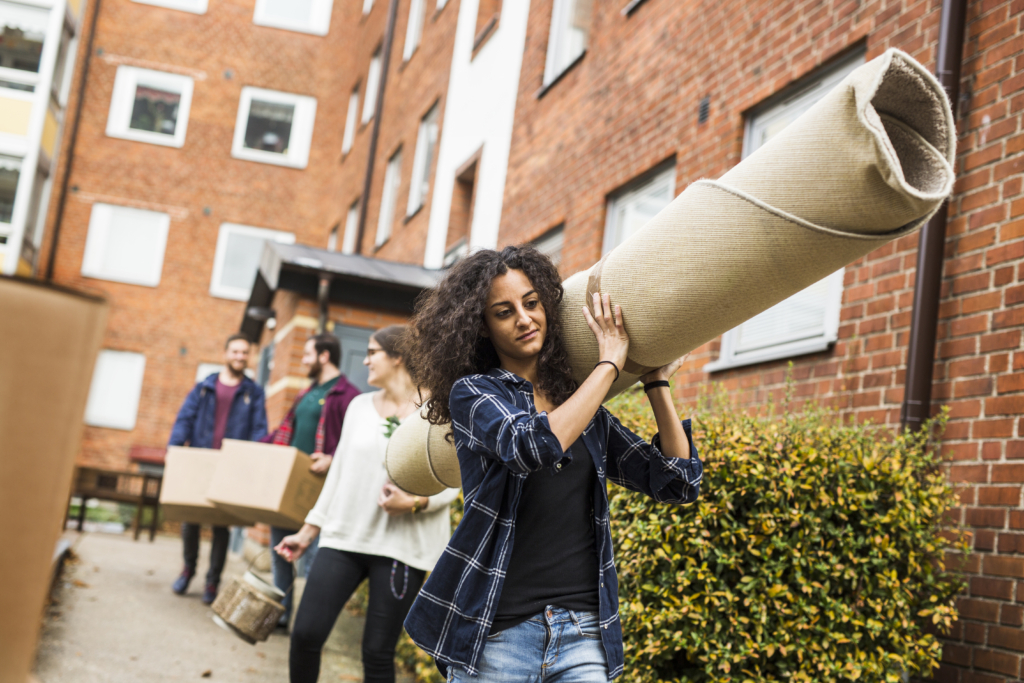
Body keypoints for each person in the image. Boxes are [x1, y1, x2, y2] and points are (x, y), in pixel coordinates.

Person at [401, 246, 704, 681]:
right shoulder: (475, 395)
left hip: (582, 634)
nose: (524, 319)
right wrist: (610, 364)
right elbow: (532, 446)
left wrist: (655, 380)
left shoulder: (582, 410)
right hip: (499, 635)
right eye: (504, 312)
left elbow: (677, 482)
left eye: (531, 303)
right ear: (482, 328)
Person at [274, 325, 459, 683]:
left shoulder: (438, 409)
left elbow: (455, 480)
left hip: (401, 549)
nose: (365, 360)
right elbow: (338, 474)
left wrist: (416, 501)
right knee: (305, 635)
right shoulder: (359, 407)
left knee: (376, 653)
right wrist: (307, 531)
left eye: (373, 352)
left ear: (397, 357)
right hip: (345, 537)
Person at [264, 332, 361, 624]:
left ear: (324, 356)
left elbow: (356, 443)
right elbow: (284, 430)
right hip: (289, 486)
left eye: (307, 355)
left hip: (320, 491)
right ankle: (280, 617)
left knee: (313, 560)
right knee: (281, 552)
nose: (303, 360)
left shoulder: (349, 396)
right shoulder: (306, 393)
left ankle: (309, 620)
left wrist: (331, 458)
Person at [168, 333, 268, 604]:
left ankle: (212, 581)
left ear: (249, 357)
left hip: (230, 467)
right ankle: (188, 569)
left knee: (221, 527)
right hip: (201, 462)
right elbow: (184, 419)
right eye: (235, 351)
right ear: (225, 354)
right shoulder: (204, 387)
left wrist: (255, 457)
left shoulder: (253, 392)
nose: (240, 357)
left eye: (244, 353)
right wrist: (174, 450)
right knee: (190, 522)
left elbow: (260, 429)